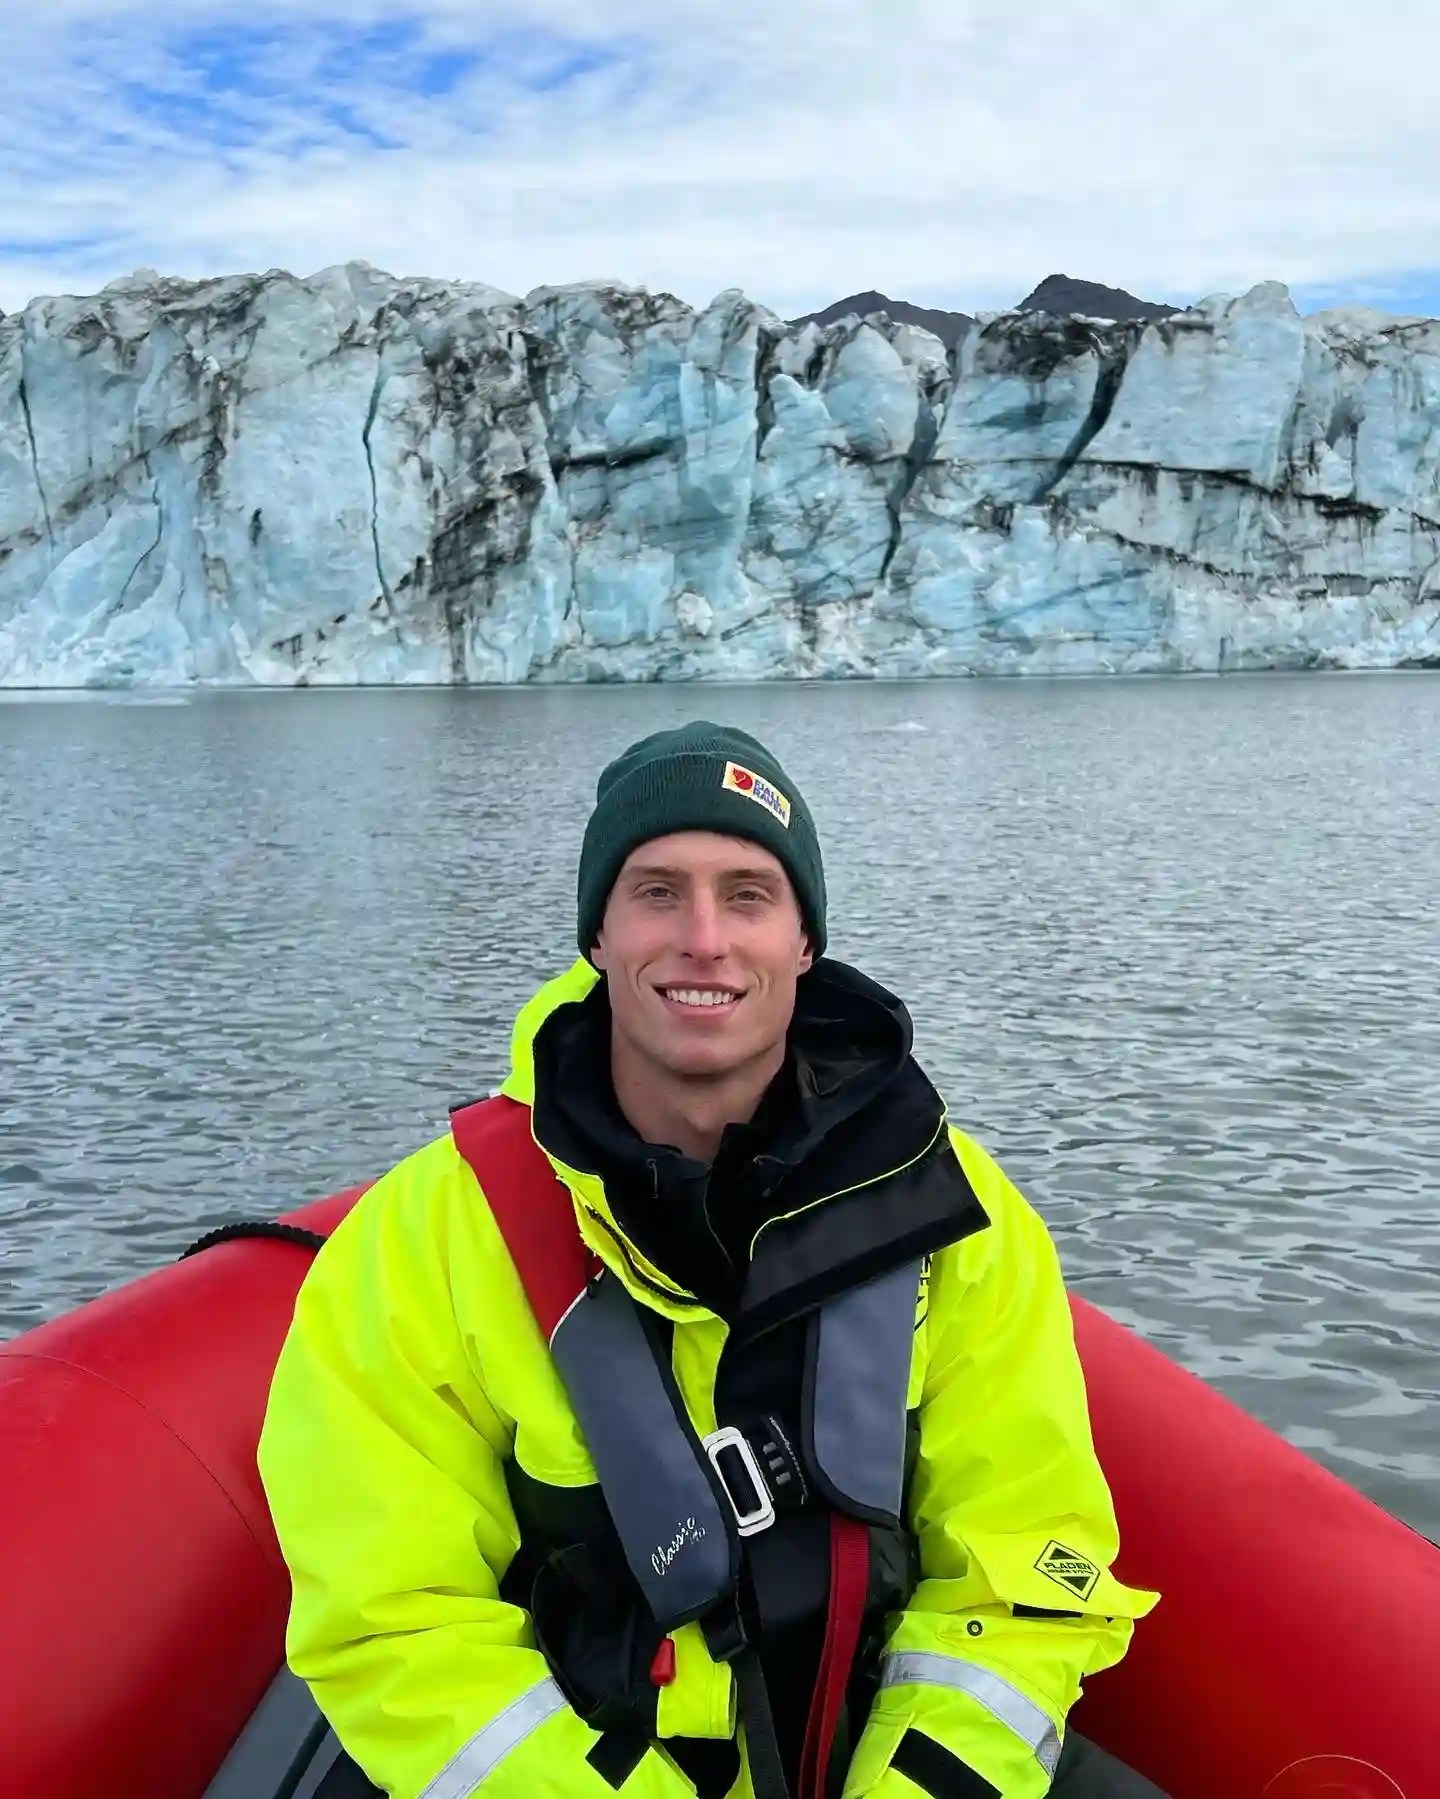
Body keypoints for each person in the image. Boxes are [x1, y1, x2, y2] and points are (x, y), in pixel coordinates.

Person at [258, 721, 1166, 1799]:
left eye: (748, 895)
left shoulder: (955, 1213)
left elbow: (1020, 1568)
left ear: (803, 940)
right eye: (657, 892)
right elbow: (396, 1620)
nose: (704, 938)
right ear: (597, 935)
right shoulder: (425, 1238)